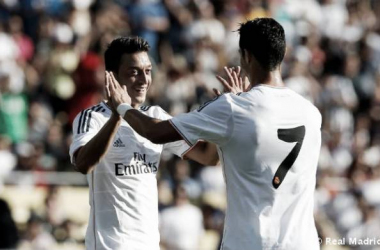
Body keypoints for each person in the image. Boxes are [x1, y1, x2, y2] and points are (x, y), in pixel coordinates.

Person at [107, 18, 322, 250]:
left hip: (251, 244)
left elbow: (154, 131)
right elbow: (214, 156)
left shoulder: (232, 108)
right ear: (283, 53)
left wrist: (122, 106)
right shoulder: (311, 113)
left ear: (246, 56)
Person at [69, 36, 218, 250]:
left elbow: (208, 156)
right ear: (111, 77)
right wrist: (118, 115)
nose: (143, 80)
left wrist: (222, 117)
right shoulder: (92, 117)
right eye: (133, 72)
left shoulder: (156, 117)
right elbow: (83, 163)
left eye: (147, 71)